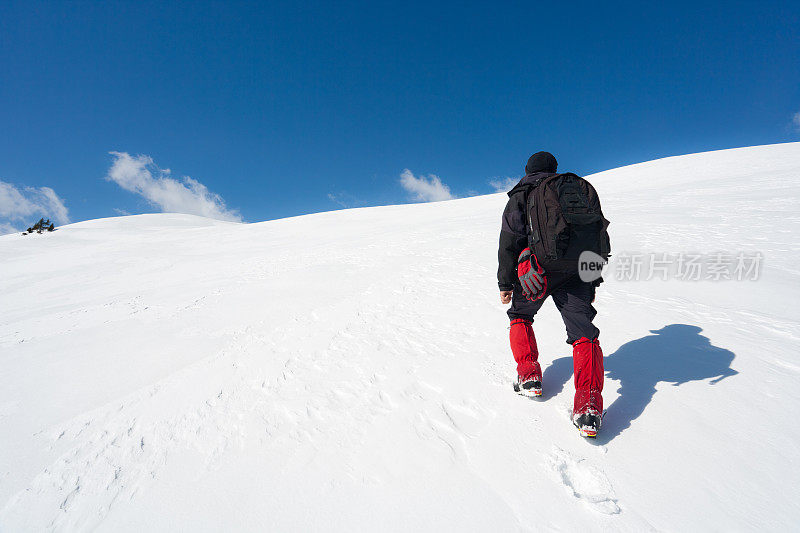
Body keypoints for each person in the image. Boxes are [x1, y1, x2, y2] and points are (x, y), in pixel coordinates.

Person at [497, 151, 607, 436]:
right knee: (584, 332)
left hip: (536, 272)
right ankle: (589, 405)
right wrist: (592, 281)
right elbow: (596, 236)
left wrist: (505, 283)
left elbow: (509, 239)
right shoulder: (575, 191)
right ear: (554, 169)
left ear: (528, 169)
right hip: (577, 272)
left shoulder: (522, 193)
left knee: (520, 314)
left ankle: (530, 375)